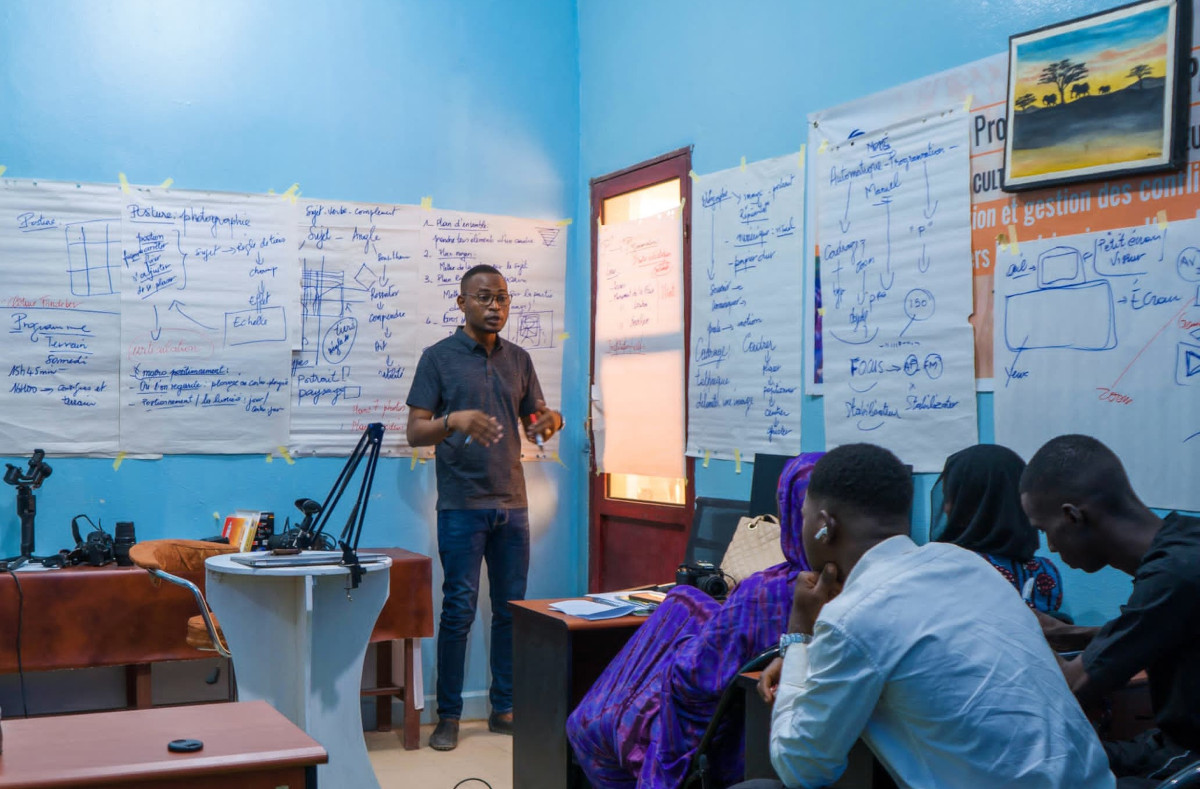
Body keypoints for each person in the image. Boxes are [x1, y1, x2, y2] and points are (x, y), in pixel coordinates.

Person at [745, 443, 1112, 789]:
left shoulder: (854, 616)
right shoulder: (969, 566)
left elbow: (800, 765)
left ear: (826, 525)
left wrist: (799, 635)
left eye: (804, 516)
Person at [565, 453, 824, 788]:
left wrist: (683, 643)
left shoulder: (764, 594)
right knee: (689, 602)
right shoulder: (863, 589)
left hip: (719, 748)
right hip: (772, 747)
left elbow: (693, 677)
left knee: (590, 724)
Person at [406, 263, 563, 751]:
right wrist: (455, 420)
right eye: (484, 298)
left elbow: (536, 423)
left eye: (502, 298)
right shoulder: (438, 358)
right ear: (462, 303)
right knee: (458, 611)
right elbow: (415, 431)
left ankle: (504, 708)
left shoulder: (519, 359)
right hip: (461, 505)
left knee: (511, 611)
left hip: (513, 505)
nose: (495, 307)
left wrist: (549, 422)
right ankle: (448, 715)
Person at [1020, 434, 1200, 787]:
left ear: (1072, 517)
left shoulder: (1175, 575)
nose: (1051, 547)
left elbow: (1072, 688)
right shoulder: (1185, 542)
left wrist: (1016, 625)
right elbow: (1156, 627)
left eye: (1045, 531)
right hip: (1174, 744)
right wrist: (1068, 634)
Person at [931, 443, 1064, 613]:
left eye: (950, 498)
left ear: (970, 505)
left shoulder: (946, 569)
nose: (946, 508)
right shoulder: (1046, 571)